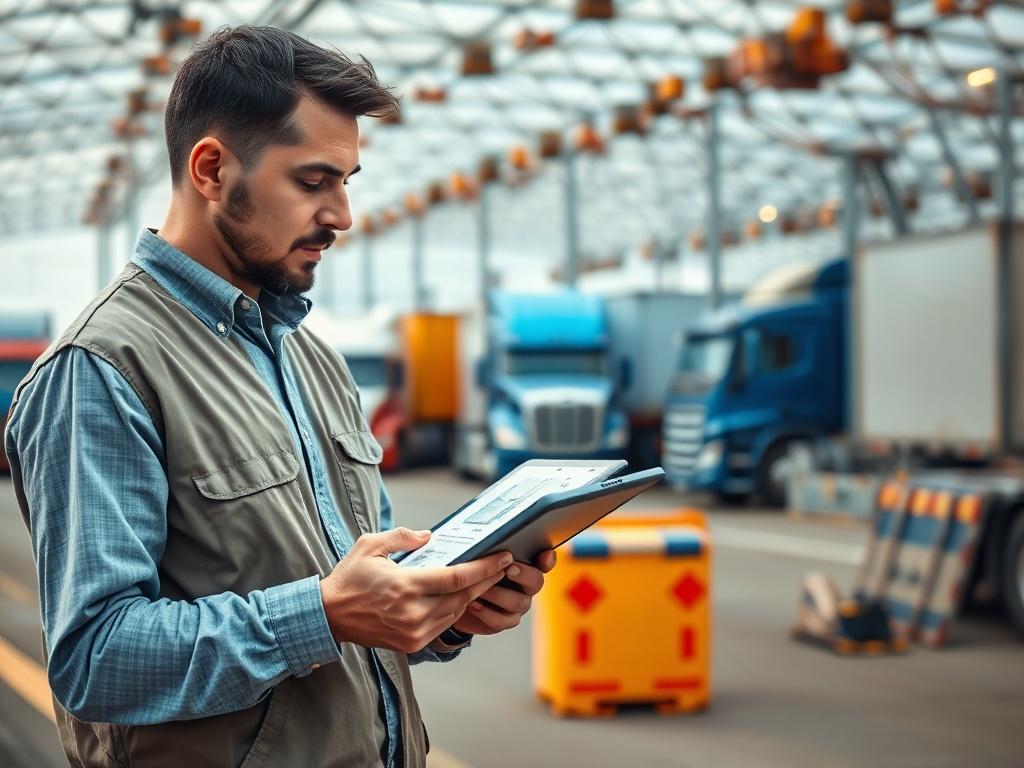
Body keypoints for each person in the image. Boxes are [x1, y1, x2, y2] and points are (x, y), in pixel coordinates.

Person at [4, 25, 554, 768]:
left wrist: (446, 612)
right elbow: (96, 659)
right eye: (312, 181)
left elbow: (361, 612)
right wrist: (322, 613)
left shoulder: (312, 361)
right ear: (210, 169)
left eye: (346, 183)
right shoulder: (102, 370)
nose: (342, 216)